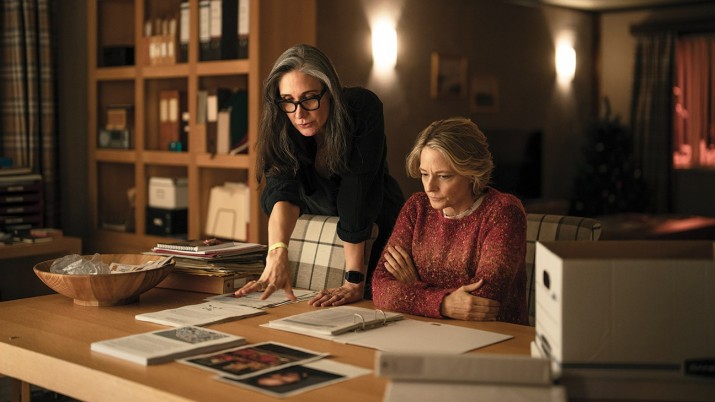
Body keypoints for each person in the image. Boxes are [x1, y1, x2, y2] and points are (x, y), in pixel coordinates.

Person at [235, 44, 404, 306]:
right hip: (322, 240)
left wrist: (354, 280)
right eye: (288, 100)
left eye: (309, 98)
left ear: (330, 90)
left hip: (376, 231)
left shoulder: (361, 108)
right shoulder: (282, 121)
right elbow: (282, 191)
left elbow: (357, 195)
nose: (299, 114)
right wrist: (276, 253)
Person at [372, 117, 528, 325]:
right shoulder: (417, 207)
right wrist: (444, 304)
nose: (429, 187)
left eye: (444, 176)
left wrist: (413, 286)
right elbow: (380, 288)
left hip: (493, 334)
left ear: (472, 173)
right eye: (424, 174)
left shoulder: (503, 212)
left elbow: (481, 300)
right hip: (425, 330)